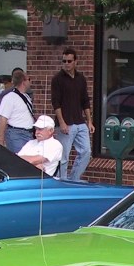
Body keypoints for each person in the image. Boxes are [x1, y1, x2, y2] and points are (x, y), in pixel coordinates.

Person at [50, 48, 94, 181]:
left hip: (80, 122)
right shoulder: (57, 79)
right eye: (64, 61)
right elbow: (56, 103)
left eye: (69, 61)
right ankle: (62, 182)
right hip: (66, 123)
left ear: (75, 62)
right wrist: (62, 122)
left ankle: (74, 179)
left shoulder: (81, 79)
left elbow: (85, 101)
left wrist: (89, 121)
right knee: (63, 157)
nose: (66, 64)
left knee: (86, 151)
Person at [0, 71, 35, 152]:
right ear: (23, 82)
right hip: (16, 134)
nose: (30, 81)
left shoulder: (26, 96)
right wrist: (1, 140)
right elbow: (3, 119)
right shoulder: (10, 97)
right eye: (28, 79)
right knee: (20, 160)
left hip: (28, 134)